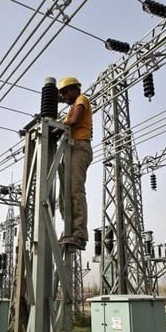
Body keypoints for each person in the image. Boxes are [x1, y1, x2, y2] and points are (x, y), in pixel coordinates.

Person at [57, 76, 92, 250]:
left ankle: (79, 234)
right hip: (69, 150)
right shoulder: (70, 107)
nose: (63, 97)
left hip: (80, 147)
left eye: (64, 92)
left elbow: (73, 121)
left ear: (74, 89)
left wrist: (57, 125)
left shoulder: (81, 99)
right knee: (63, 194)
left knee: (76, 190)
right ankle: (68, 229)